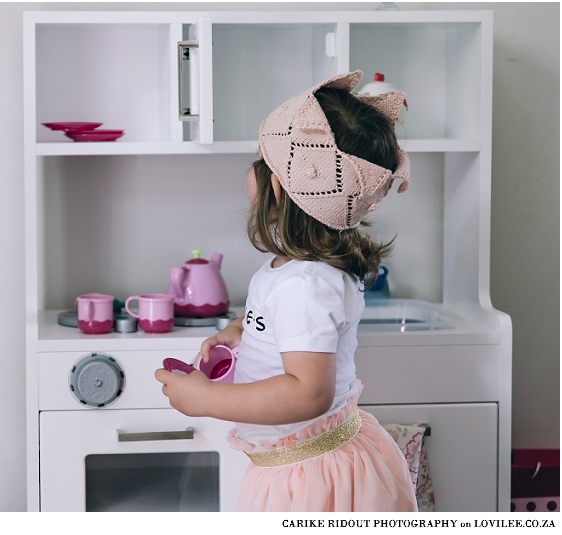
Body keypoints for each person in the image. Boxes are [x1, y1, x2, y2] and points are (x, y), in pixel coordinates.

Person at [155, 71, 417, 512]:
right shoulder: (305, 270)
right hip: (308, 463)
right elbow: (299, 330)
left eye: (261, 160)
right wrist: (245, 329)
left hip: (310, 483)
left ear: (275, 186)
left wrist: (207, 399)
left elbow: (306, 391)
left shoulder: (304, 285)